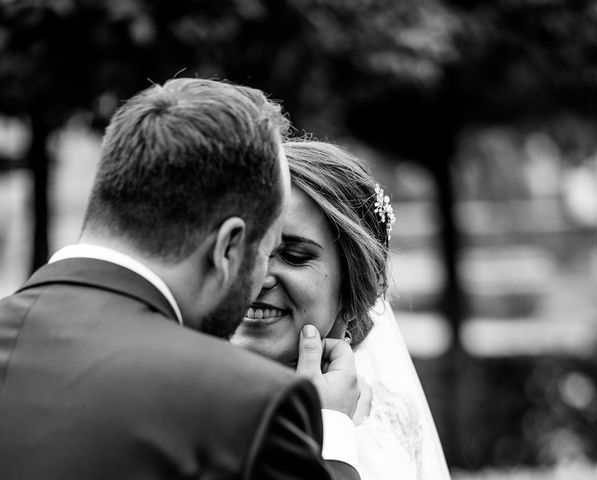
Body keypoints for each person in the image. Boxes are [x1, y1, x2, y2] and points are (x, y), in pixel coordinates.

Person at [0, 79, 361, 480]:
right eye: (267, 248)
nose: (264, 277)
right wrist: (331, 434)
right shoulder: (246, 406)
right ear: (228, 247)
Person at [232, 139, 451, 480]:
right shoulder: (185, 407)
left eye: (294, 256)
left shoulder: (392, 416)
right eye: (246, 249)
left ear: (354, 286)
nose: (258, 276)